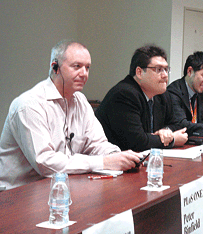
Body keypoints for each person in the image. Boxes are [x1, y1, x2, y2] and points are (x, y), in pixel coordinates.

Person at [0, 40, 142, 190]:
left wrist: (118, 156)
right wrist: (104, 162)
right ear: (55, 68)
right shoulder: (29, 105)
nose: (84, 74)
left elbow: (97, 143)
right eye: (77, 66)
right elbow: (45, 163)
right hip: (20, 194)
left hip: (62, 187)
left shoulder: (80, 100)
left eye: (87, 68)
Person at [95, 45, 188, 152]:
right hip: (114, 161)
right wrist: (172, 140)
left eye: (166, 69)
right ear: (139, 72)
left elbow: (178, 125)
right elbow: (136, 141)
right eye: (158, 70)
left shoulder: (162, 95)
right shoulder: (124, 94)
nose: (165, 75)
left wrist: (165, 131)